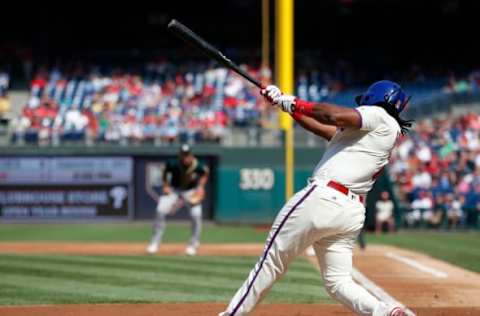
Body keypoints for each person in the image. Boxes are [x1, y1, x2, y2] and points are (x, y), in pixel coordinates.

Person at [219, 80, 412, 316]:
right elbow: (322, 128)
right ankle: (385, 312)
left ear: (378, 98)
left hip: (323, 198)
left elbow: (332, 116)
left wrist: (296, 102)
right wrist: (285, 104)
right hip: (350, 212)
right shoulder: (377, 132)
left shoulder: (379, 115)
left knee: (271, 261)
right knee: (338, 282)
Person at [146, 144, 209, 256]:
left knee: (196, 214)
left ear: (191, 155)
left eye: (187, 155)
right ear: (180, 155)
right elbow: (165, 172)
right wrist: (165, 185)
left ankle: (193, 244)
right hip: (174, 190)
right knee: (160, 210)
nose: (185, 157)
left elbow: (205, 173)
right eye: (183, 155)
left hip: (190, 191)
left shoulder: (198, 165)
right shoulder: (173, 163)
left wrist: (200, 187)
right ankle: (155, 242)